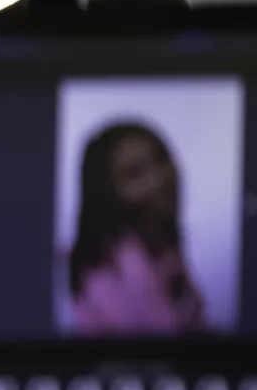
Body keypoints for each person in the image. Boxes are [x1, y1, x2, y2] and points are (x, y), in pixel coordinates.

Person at [67, 121, 208, 334]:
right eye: (134, 174)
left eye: (160, 159)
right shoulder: (119, 270)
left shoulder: (161, 249)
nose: (159, 179)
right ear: (107, 193)